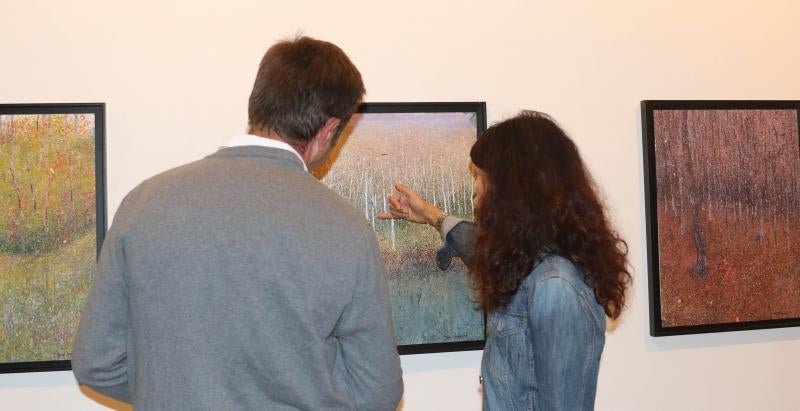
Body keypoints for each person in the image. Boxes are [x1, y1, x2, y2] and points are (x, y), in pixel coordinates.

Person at [72, 36, 403, 410]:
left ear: (259, 101)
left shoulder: (144, 203)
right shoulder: (347, 229)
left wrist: (174, 392)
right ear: (328, 130)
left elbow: (97, 363)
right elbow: (376, 391)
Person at [378, 111, 631, 410]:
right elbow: (482, 250)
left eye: (481, 177)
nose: (475, 189)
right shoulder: (526, 262)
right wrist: (431, 215)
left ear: (514, 189)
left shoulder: (555, 286)